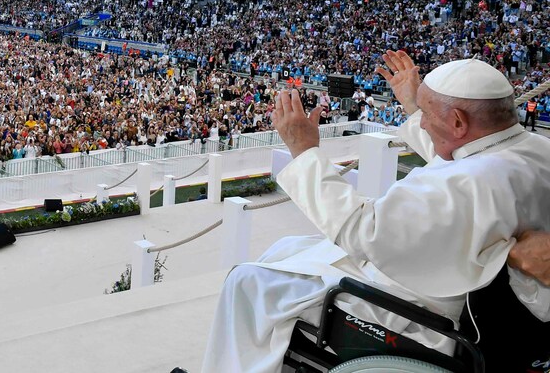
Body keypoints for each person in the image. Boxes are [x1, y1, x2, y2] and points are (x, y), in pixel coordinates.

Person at [202, 53, 550, 372]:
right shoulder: (528, 150)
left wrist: (304, 152)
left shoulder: (466, 183)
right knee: (288, 249)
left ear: (458, 121)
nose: (422, 124)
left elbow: (361, 232)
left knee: (247, 281)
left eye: (426, 116)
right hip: (455, 293)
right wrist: (417, 104)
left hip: (416, 312)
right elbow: (461, 154)